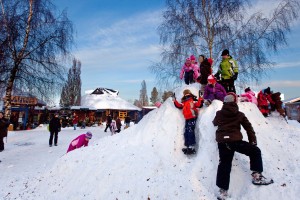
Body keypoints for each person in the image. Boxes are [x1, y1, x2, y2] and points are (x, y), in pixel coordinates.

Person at [212, 93, 273, 200]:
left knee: (224, 164)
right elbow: (249, 128)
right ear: (235, 102)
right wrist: (252, 141)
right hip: (235, 142)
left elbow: (214, 123)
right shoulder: (239, 114)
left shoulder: (219, 113)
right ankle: (257, 176)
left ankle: (223, 191)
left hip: (222, 143)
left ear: (225, 102)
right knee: (255, 151)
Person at [173, 89, 203, 155]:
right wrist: (174, 100)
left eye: (188, 94)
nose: (186, 96)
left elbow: (198, 105)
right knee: (186, 132)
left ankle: (191, 147)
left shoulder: (192, 101)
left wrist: (200, 98)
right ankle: (187, 146)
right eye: (185, 94)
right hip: (187, 118)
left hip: (192, 118)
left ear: (190, 94)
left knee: (190, 131)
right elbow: (178, 106)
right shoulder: (184, 103)